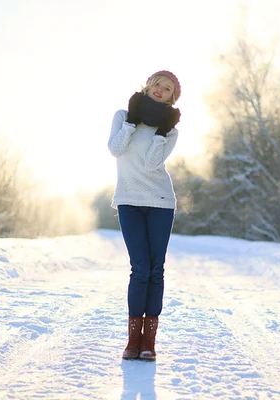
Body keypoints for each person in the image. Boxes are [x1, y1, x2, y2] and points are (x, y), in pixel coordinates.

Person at [107, 70, 181, 361]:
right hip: (128, 200)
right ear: (149, 85)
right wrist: (130, 123)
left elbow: (152, 164)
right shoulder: (123, 115)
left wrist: (161, 133)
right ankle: (132, 341)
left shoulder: (170, 130)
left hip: (160, 202)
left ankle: (148, 341)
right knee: (139, 269)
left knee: (155, 269)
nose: (162, 90)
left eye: (169, 89)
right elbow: (115, 149)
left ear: (173, 98)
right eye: (159, 84)